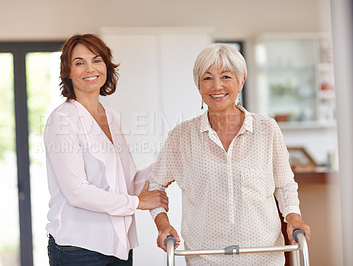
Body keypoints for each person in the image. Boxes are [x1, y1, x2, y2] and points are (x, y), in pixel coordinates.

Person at [148, 43, 311, 265]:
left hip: (263, 257)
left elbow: (284, 185)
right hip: (204, 258)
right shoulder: (182, 136)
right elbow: (154, 185)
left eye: (226, 76)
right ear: (198, 85)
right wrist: (163, 225)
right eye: (207, 78)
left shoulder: (267, 129)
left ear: (241, 80)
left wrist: (293, 218)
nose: (217, 86)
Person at [44, 34, 168, 266]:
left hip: (119, 246)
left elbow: (125, 179)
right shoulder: (62, 120)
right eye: (79, 62)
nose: (90, 69)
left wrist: (168, 165)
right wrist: (137, 203)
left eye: (97, 60)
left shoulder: (110, 117)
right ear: (68, 71)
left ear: (106, 66)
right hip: (78, 248)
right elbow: (77, 192)